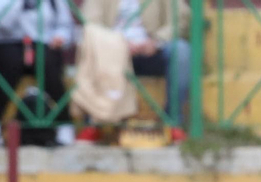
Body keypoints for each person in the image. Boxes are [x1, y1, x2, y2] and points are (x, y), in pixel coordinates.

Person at [76, 0, 191, 140]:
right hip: (112, 51)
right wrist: (116, 43)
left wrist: (157, 41)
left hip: (152, 49)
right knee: (91, 50)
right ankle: (94, 123)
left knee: (181, 51)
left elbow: (181, 18)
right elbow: (91, 22)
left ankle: (172, 122)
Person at [0, 0, 76, 146]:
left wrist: (60, 37)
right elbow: (3, 22)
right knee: (10, 63)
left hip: (44, 45)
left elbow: (65, 26)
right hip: (8, 44)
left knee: (47, 63)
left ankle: (64, 124)